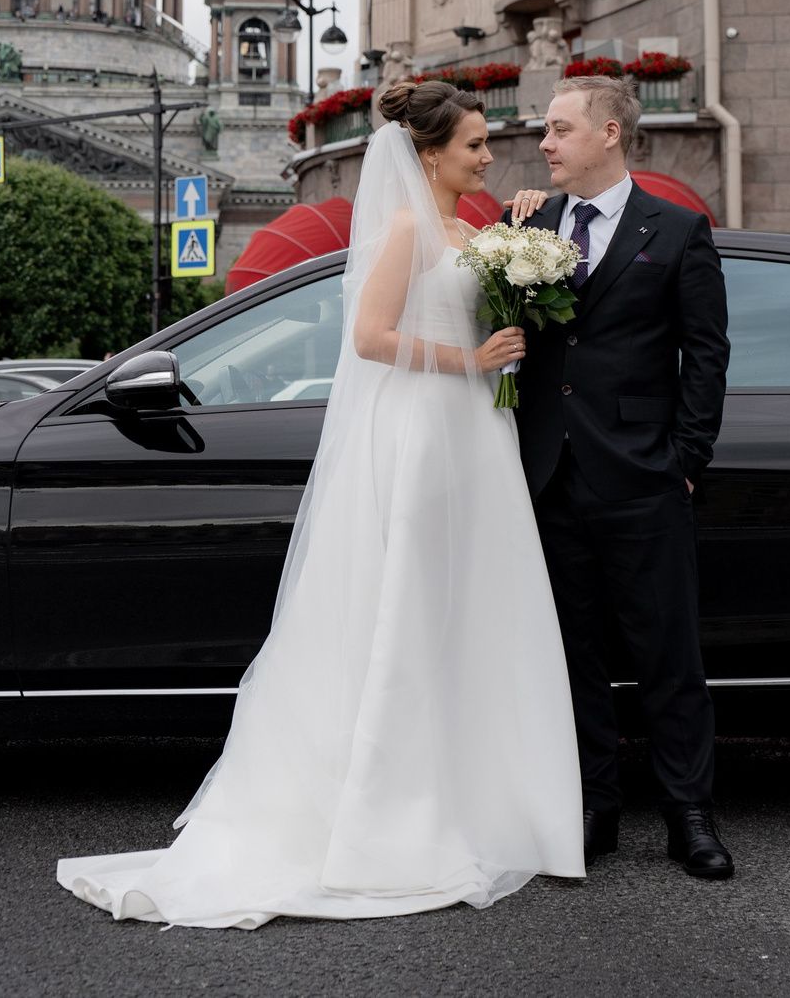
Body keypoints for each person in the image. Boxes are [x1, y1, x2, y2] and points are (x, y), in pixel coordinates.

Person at [59, 79, 582, 929]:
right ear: (429, 154)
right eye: (475, 146)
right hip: (425, 428)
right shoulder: (411, 227)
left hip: (473, 441)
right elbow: (370, 339)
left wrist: (523, 243)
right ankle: (389, 817)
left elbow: (493, 296)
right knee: (405, 612)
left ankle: (476, 793)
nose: (489, 158)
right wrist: (472, 359)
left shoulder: (468, 229)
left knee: (467, 610)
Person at [503, 76, 736, 881]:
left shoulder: (676, 231)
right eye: (544, 130)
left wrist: (687, 460)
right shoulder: (526, 223)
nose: (544, 142)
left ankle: (690, 815)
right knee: (573, 653)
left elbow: (706, 355)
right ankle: (594, 807)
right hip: (552, 474)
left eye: (559, 129)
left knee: (668, 652)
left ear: (608, 133)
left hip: (643, 475)